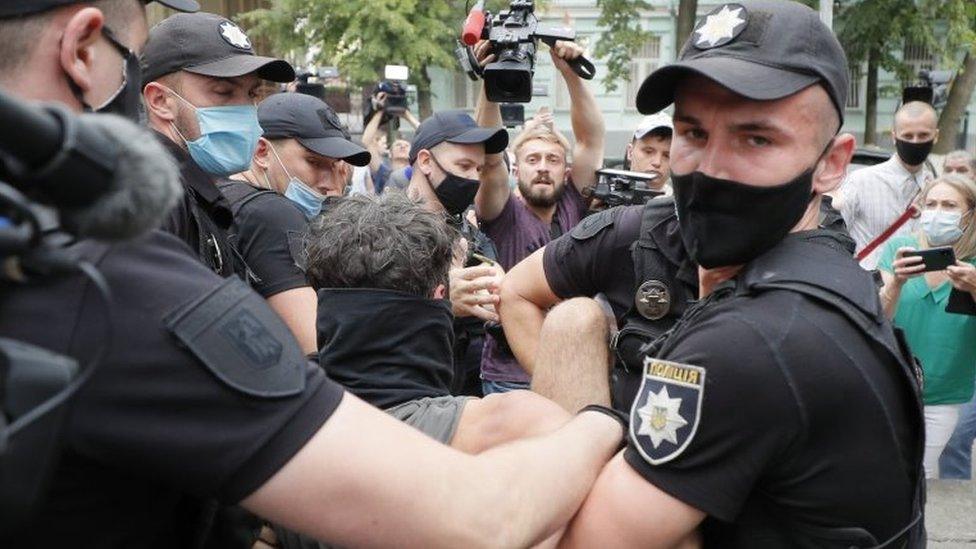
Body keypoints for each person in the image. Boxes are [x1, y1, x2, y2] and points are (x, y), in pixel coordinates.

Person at [0, 0, 629, 545]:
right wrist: (597, 422)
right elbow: (480, 518)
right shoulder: (109, 276)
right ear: (83, 51)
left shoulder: (59, 247)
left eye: (252, 98)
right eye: (134, 58)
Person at [542, 2, 926, 546]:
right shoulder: (822, 275)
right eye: (693, 134)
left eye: (756, 139)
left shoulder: (753, 342)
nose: (711, 168)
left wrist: (588, 426)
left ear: (831, 164)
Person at [474, 39, 606, 395]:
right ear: (517, 169)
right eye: (533, 160)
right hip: (509, 376)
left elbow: (591, 141)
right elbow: (488, 158)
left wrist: (571, 75)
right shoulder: (502, 211)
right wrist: (491, 83)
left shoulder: (574, 206)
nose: (543, 168)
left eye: (552, 160)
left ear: (566, 171)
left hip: (573, 366)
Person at [141, 11, 295, 278]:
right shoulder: (151, 195)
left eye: (251, 93)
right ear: (160, 101)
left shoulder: (190, 191)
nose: (245, 109)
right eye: (224, 92)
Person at [221, 93, 370, 353]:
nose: (329, 183)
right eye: (313, 162)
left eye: (335, 166)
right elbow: (318, 348)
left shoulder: (221, 194)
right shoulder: (271, 212)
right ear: (262, 152)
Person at [878, 174, 976, 479]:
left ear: (969, 214)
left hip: (945, 391)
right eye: (931, 204)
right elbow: (879, 317)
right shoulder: (901, 248)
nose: (937, 212)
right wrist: (896, 282)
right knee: (888, 466)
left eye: (949, 205)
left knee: (919, 471)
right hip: (893, 383)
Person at [833, 101, 939, 269]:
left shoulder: (935, 188)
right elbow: (833, 237)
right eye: (908, 136)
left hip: (917, 287)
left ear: (936, 136)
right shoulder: (860, 181)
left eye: (923, 136)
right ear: (894, 136)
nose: (915, 141)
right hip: (868, 285)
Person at [626, 112, 674, 193]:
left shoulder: (682, 204)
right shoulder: (604, 199)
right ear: (630, 152)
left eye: (667, 156)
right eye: (648, 152)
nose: (657, 162)